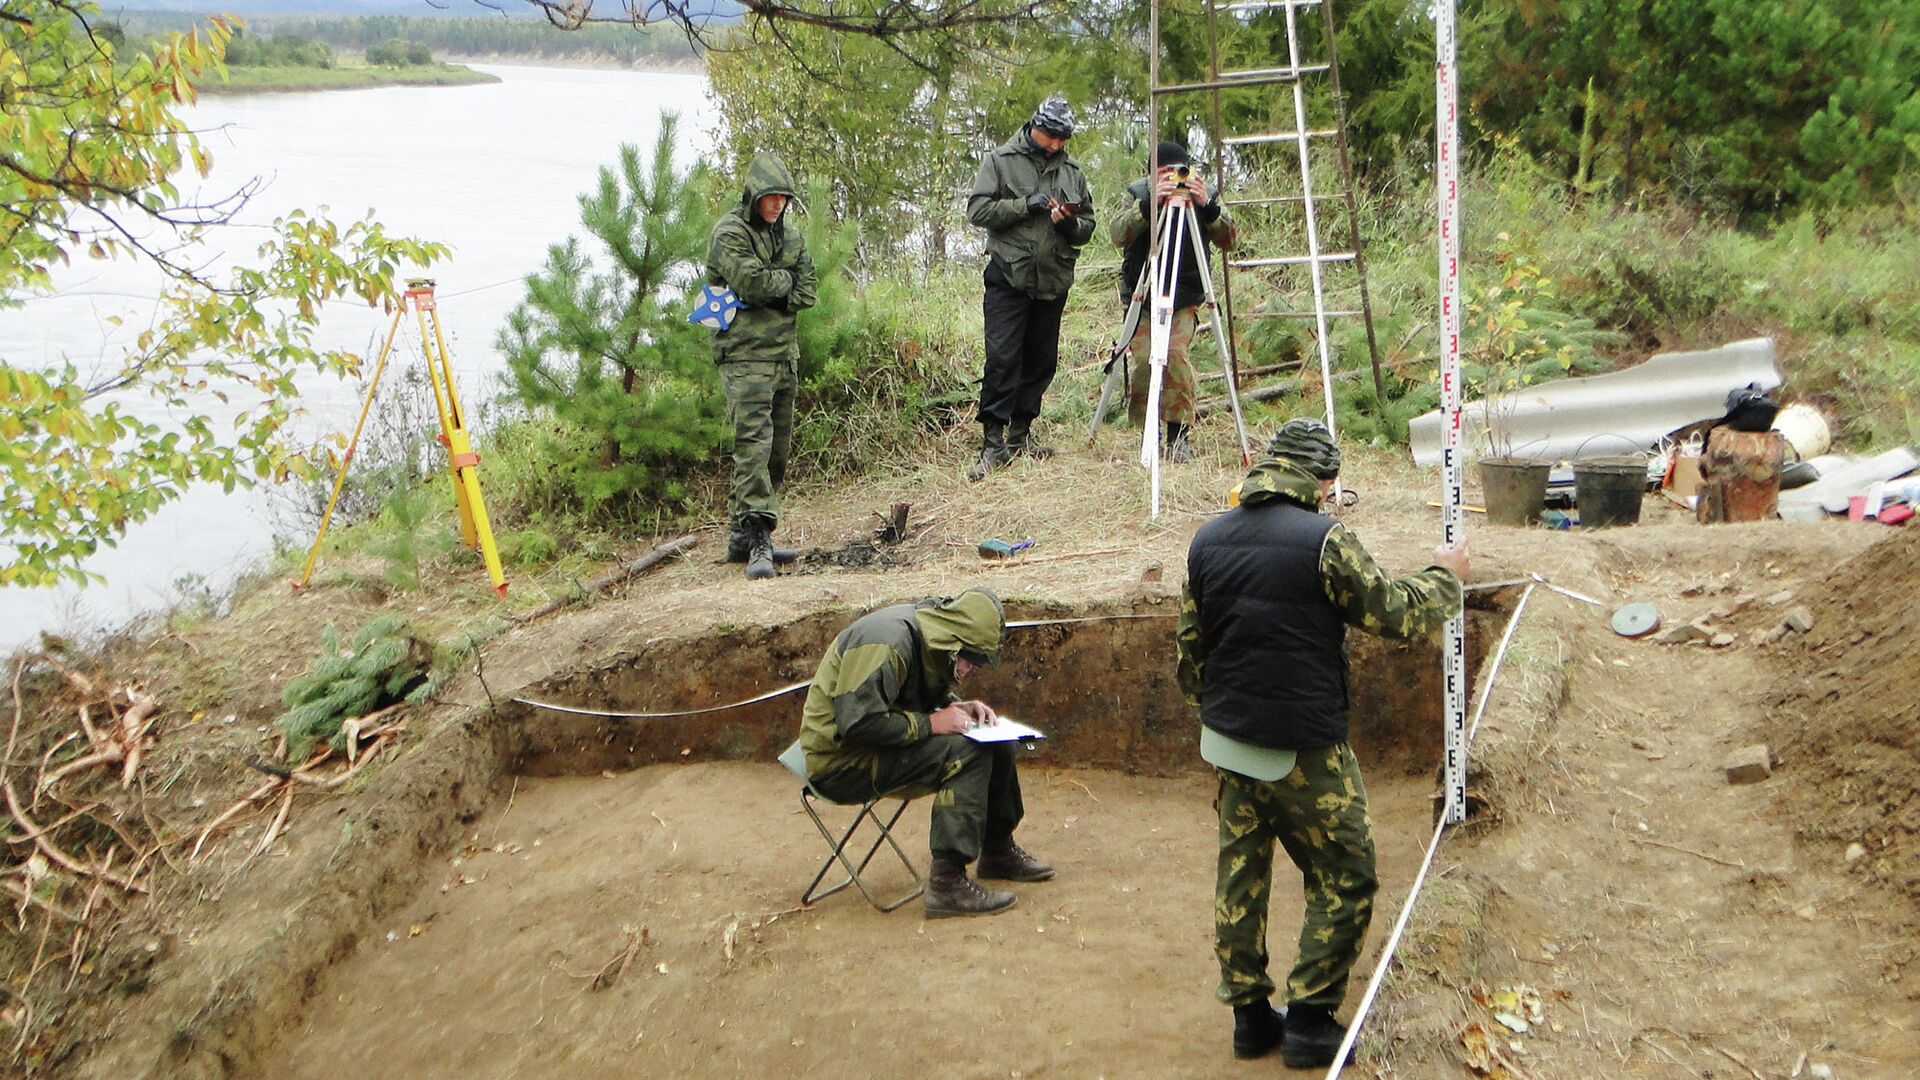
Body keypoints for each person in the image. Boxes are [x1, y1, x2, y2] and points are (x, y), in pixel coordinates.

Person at [1175, 418, 1470, 1066]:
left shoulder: (1208, 539)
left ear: (1265, 467)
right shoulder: (1326, 540)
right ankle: (1310, 1020)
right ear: (1324, 481)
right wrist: (1445, 576)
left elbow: (1190, 651)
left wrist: (1220, 714)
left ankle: (1250, 1019)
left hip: (1228, 741)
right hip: (1305, 747)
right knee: (1346, 873)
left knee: (1242, 875)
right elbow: (1395, 614)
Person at [795, 586, 1053, 918]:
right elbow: (857, 725)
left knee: (996, 741)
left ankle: (997, 849)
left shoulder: (927, 636)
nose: (972, 668)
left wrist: (955, 708)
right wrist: (931, 724)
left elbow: (905, 697)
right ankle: (947, 885)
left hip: (873, 748)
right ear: (953, 641)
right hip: (840, 763)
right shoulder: (886, 643)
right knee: (968, 752)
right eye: (971, 658)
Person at [964, 95, 1096, 480]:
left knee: (1041, 360)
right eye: (1051, 135)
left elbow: (1087, 225)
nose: (1056, 144)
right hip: (1008, 275)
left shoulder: (1072, 171)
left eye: (1063, 138)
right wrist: (1026, 205)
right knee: (1002, 358)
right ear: (1035, 126)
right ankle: (993, 443)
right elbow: (978, 211)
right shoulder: (1000, 161)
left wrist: (1067, 223)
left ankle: (1021, 435)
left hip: (1053, 278)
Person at [706, 153, 817, 580]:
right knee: (752, 445)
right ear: (754, 195)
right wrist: (779, 282)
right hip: (744, 356)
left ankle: (740, 534)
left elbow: (807, 290)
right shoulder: (729, 233)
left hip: (783, 356)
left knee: (776, 453)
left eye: (783, 198)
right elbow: (749, 282)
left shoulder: (790, 238)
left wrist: (775, 287)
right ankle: (757, 539)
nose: (776, 205)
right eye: (769, 197)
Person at [1108, 142, 1237, 463]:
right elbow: (1116, 234)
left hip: (1186, 294)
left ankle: (1180, 436)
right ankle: (1148, 431)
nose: (1175, 179)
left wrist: (1208, 207)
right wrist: (1151, 204)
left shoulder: (1203, 195)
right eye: (1166, 173)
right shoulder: (1138, 194)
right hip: (1145, 293)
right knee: (1145, 363)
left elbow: (1231, 240)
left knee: (1175, 358)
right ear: (1152, 174)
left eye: (1180, 172)